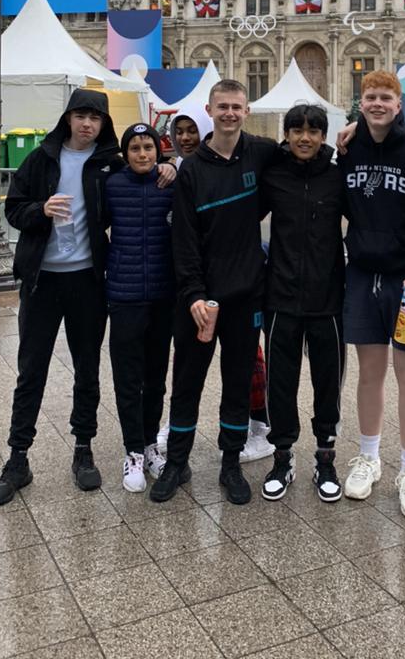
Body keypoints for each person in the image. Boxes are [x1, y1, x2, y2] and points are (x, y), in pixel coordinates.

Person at [0, 89, 121, 506]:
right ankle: (18, 458)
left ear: (103, 124)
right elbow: (13, 208)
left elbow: (143, 176)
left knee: (87, 368)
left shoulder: (109, 164)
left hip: (87, 281)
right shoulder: (41, 158)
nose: (87, 124)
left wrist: (167, 168)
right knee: (31, 370)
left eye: (95, 118)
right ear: (68, 118)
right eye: (80, 116)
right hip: (41, 281)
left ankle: (83, 447)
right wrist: (40, 210)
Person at [150, 79, 279, 506]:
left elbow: (309, 151)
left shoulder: (261, 152)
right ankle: (177, 462)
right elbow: (184, 241)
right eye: (222, 106)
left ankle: (230, 463)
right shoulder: (192, 169)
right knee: (187, 381)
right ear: (210, 110)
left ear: (247, 111)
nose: (229, 113)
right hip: (199, 298)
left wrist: (349, 134)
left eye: (236, 106)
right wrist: (193, 295)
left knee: (237, 382)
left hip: (245, 294)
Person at [339, 70, 405, 516]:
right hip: (364, 276)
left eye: (385, 97)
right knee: (369, 374)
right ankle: (368, 457)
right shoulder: (347, 153)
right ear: (361, 103)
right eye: (370, 97)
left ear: (399, 105)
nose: (377, 104)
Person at [259, 104, 346, 503]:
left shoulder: (337, 175)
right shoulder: (274, 174)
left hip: (328, 298)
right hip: (280, 296)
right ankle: (282, 457)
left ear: (324, 136)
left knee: (328, 381)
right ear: (287, 134)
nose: (305, 138)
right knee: (281, 382)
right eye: (297, 130)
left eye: (313, 131)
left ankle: (325, 458)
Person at [105, 123, 175, 492]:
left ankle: (150, 444)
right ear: (125, 153)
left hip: (163, 295)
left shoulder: (169, 183)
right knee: (127, 379)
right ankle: (132, 450)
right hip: (125, 295)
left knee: (156, 378)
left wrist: (174, 167)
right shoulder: (113, 185)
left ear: (158, 151)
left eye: (148, 147)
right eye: (135, 148)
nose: (143, 154)